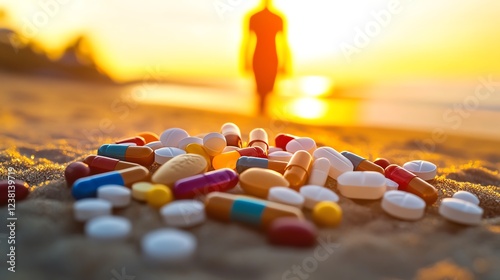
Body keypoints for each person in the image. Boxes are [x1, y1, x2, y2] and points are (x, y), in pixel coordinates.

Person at [242, 0, 290, 114]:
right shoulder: (273, 17)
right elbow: (248, 40)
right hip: (265, 56)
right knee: (261, 87)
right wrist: (245, 60)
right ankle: (262, 112)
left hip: (266, 56)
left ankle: (262, 111)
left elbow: (283, 42)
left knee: (267, 87)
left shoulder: (258, 16)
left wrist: (286, 62)